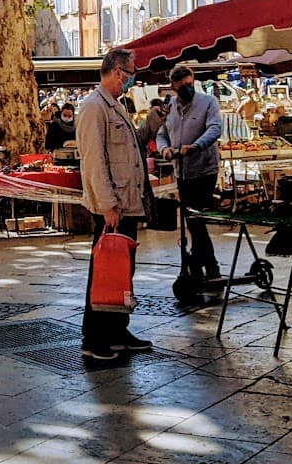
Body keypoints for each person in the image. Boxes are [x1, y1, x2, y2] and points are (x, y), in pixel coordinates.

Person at [75, 48, 153, 362]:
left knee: (122, 272)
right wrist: (108, 203)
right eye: (130, 72)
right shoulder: (94, 108)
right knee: (105, 272)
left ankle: (118, 329)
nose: (132, 79)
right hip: (113, 205)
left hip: (128, 202)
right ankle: (95, 337)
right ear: (117, 71)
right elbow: (94, 161)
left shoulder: (116, 106)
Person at [157, 62, 223, 282]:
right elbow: (161, 133)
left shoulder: (208, 102)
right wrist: (164, 149)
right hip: (182, 170)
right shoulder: (170, 107)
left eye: (189, 83)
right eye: (182, 84)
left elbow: (215, 128)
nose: (187, 87)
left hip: (205, 168)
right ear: (173, 86)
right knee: (191, 220)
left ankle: (206, 265)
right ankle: (201, 266)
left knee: (196, 219)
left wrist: (196, 146)